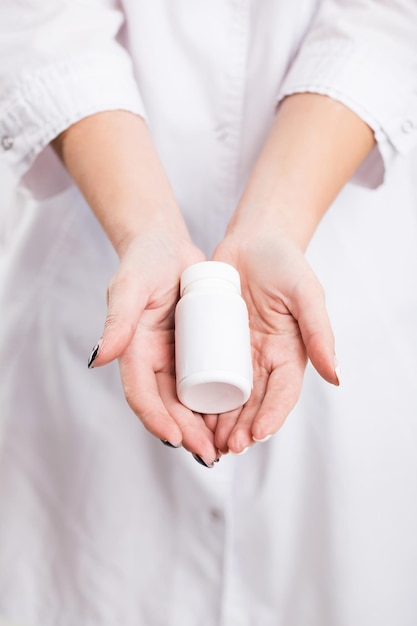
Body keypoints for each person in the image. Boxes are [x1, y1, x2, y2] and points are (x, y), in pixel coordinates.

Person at [0, 1, 417, 624]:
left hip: (340, 249)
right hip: (89, 259)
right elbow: (44, 17)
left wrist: (275, 224)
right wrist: (145, 230)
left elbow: (386, 17)